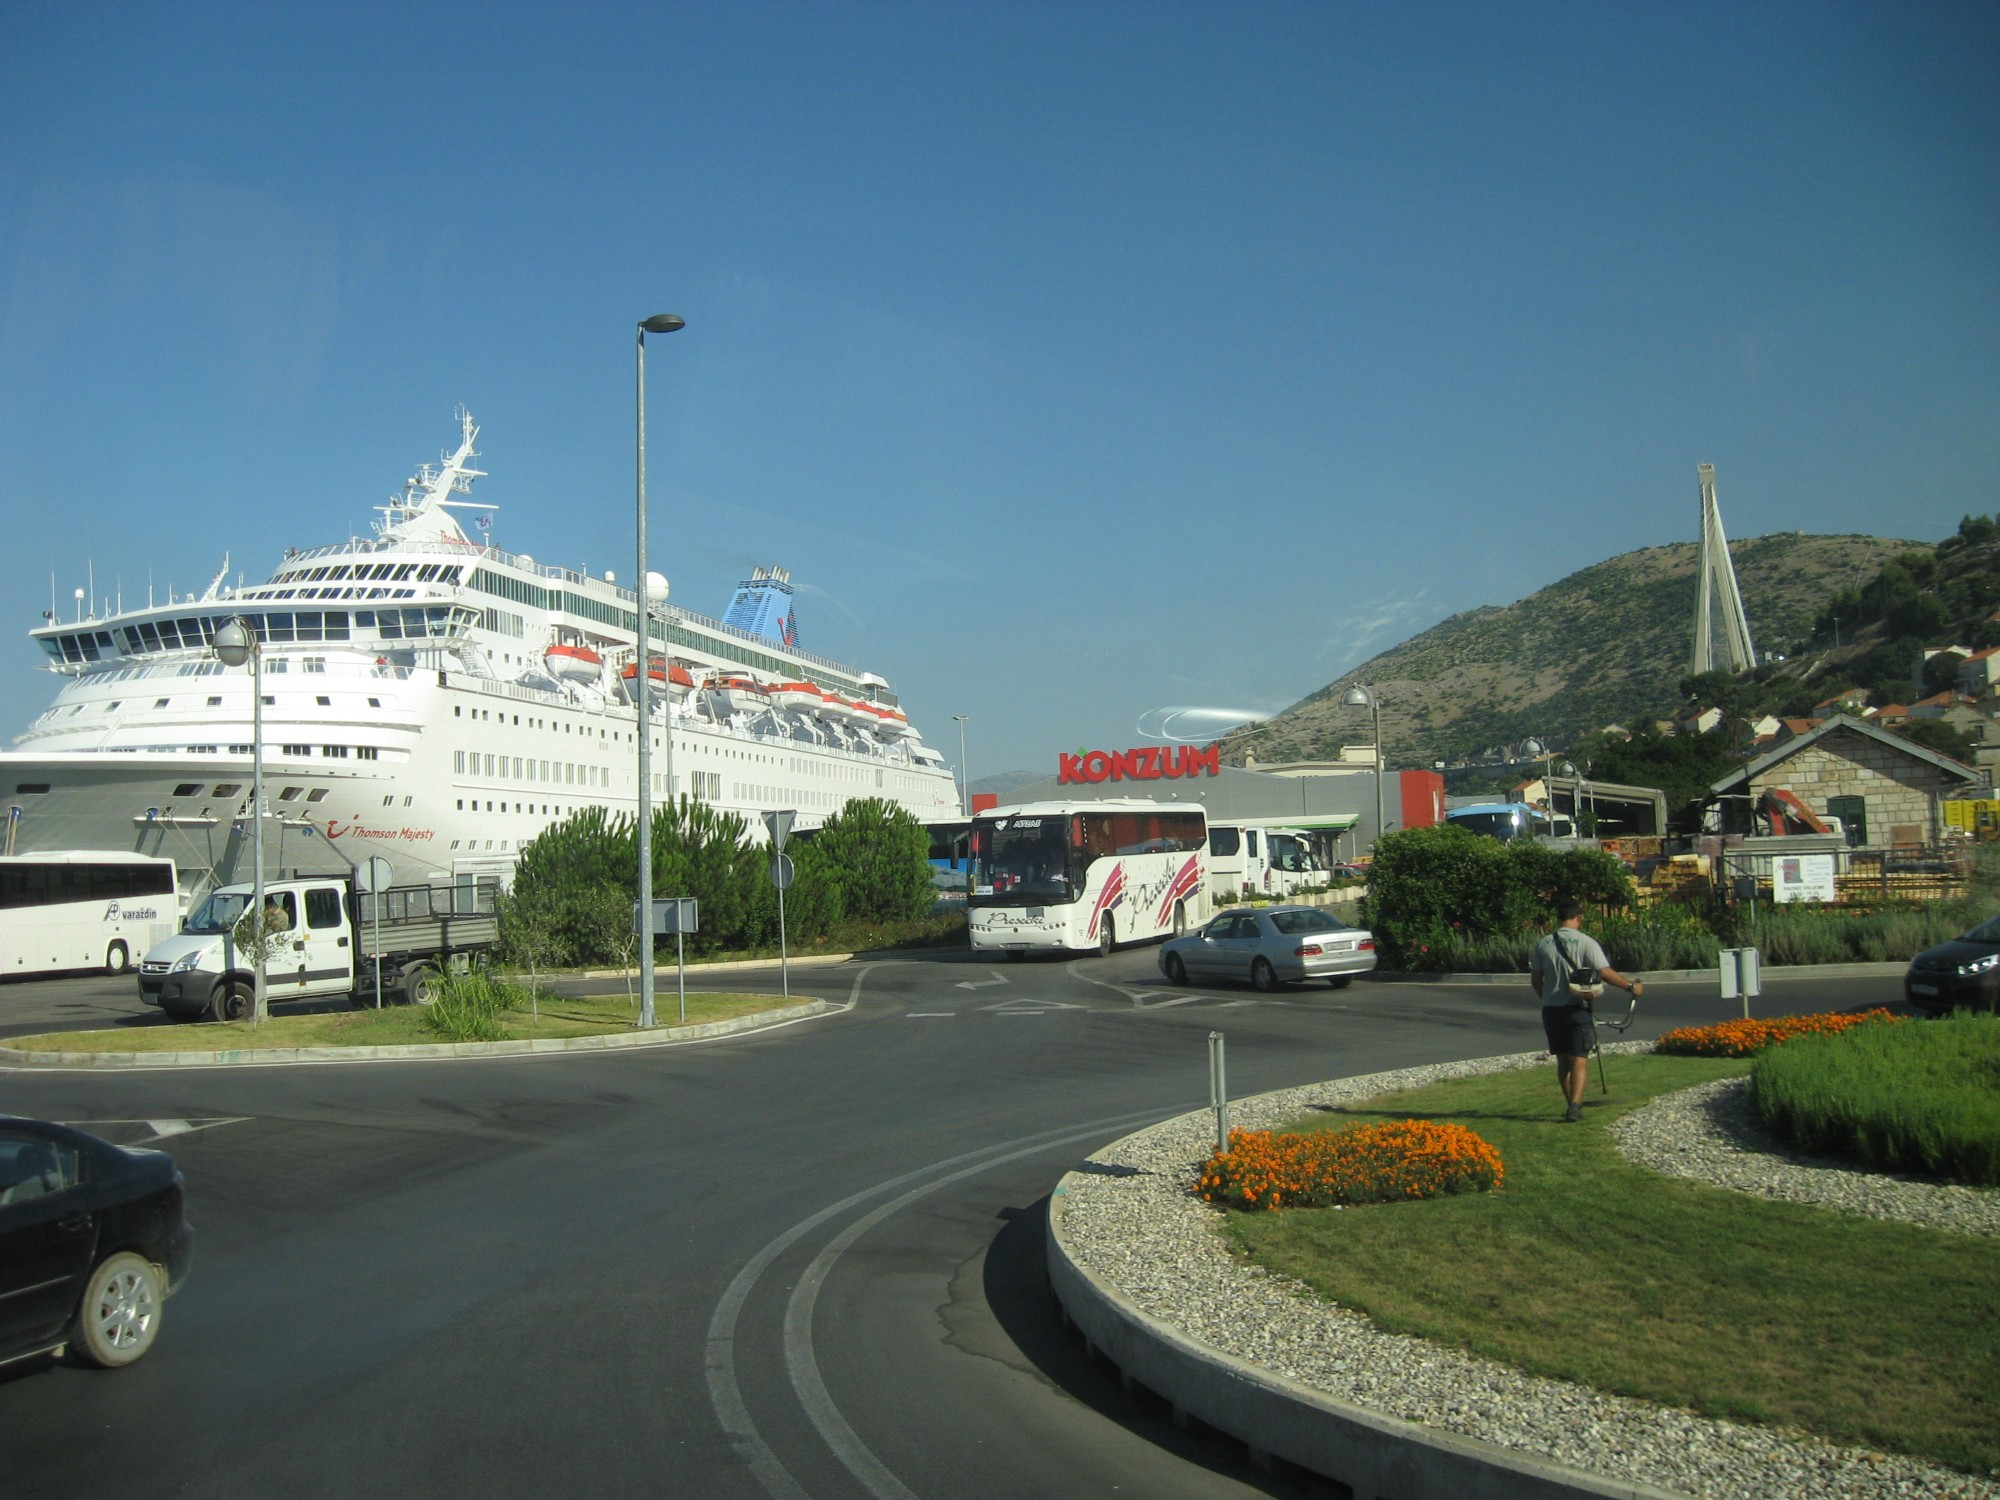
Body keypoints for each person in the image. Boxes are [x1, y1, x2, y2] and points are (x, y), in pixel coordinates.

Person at [1530, 901, 1642, 1121]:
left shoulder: (1543, 944)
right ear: (1578, 918)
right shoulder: (1586, 942)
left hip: (1551, 1009)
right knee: (1580, 1057)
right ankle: (1575, 1106)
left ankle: (1570, 1103)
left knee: (1562, 1060)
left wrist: (1548, 997)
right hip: (1577, 1007)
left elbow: (1535, 979)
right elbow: (1606, 972)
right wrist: (1630, 986)